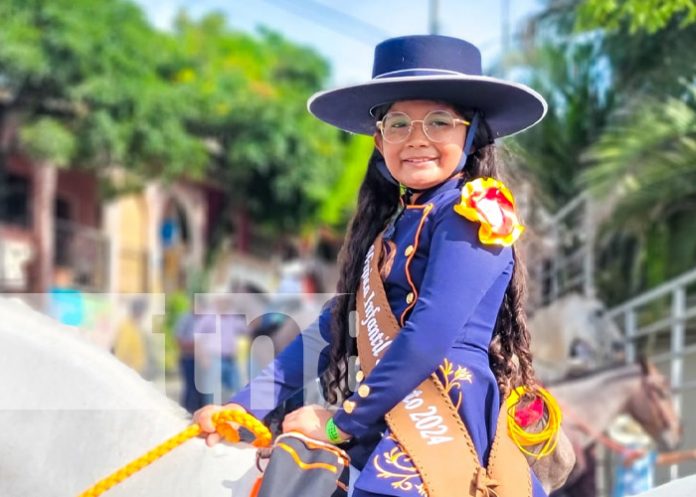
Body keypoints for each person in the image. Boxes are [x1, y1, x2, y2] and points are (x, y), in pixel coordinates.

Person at [195, 35, 567, 496]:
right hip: (381, 419)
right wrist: (246, 406)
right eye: (398, 124)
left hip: (443, 425)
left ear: (471, 134)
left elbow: (427, 336)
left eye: (438, 122)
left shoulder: (471, 216)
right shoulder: (391, 229)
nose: (416, 140)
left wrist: (337, 426)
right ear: (379, 139)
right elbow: (332, 328)